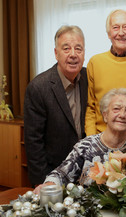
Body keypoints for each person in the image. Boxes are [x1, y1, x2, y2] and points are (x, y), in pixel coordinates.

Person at [34, 88, 126, 193]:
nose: (122, 115)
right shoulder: (86, 146)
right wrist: (49, 183)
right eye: (116, 109)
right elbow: (62, 173)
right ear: (105, 115)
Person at [24, 25, 88, 186]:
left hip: (87, 172)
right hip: (53, 175)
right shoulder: (39, 87)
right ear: (56, 53)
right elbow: (33, 142)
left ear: (84, 53)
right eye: (66, 48)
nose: (73, 54)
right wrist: (42, 183)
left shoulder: (89, 79)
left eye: (78, 49)